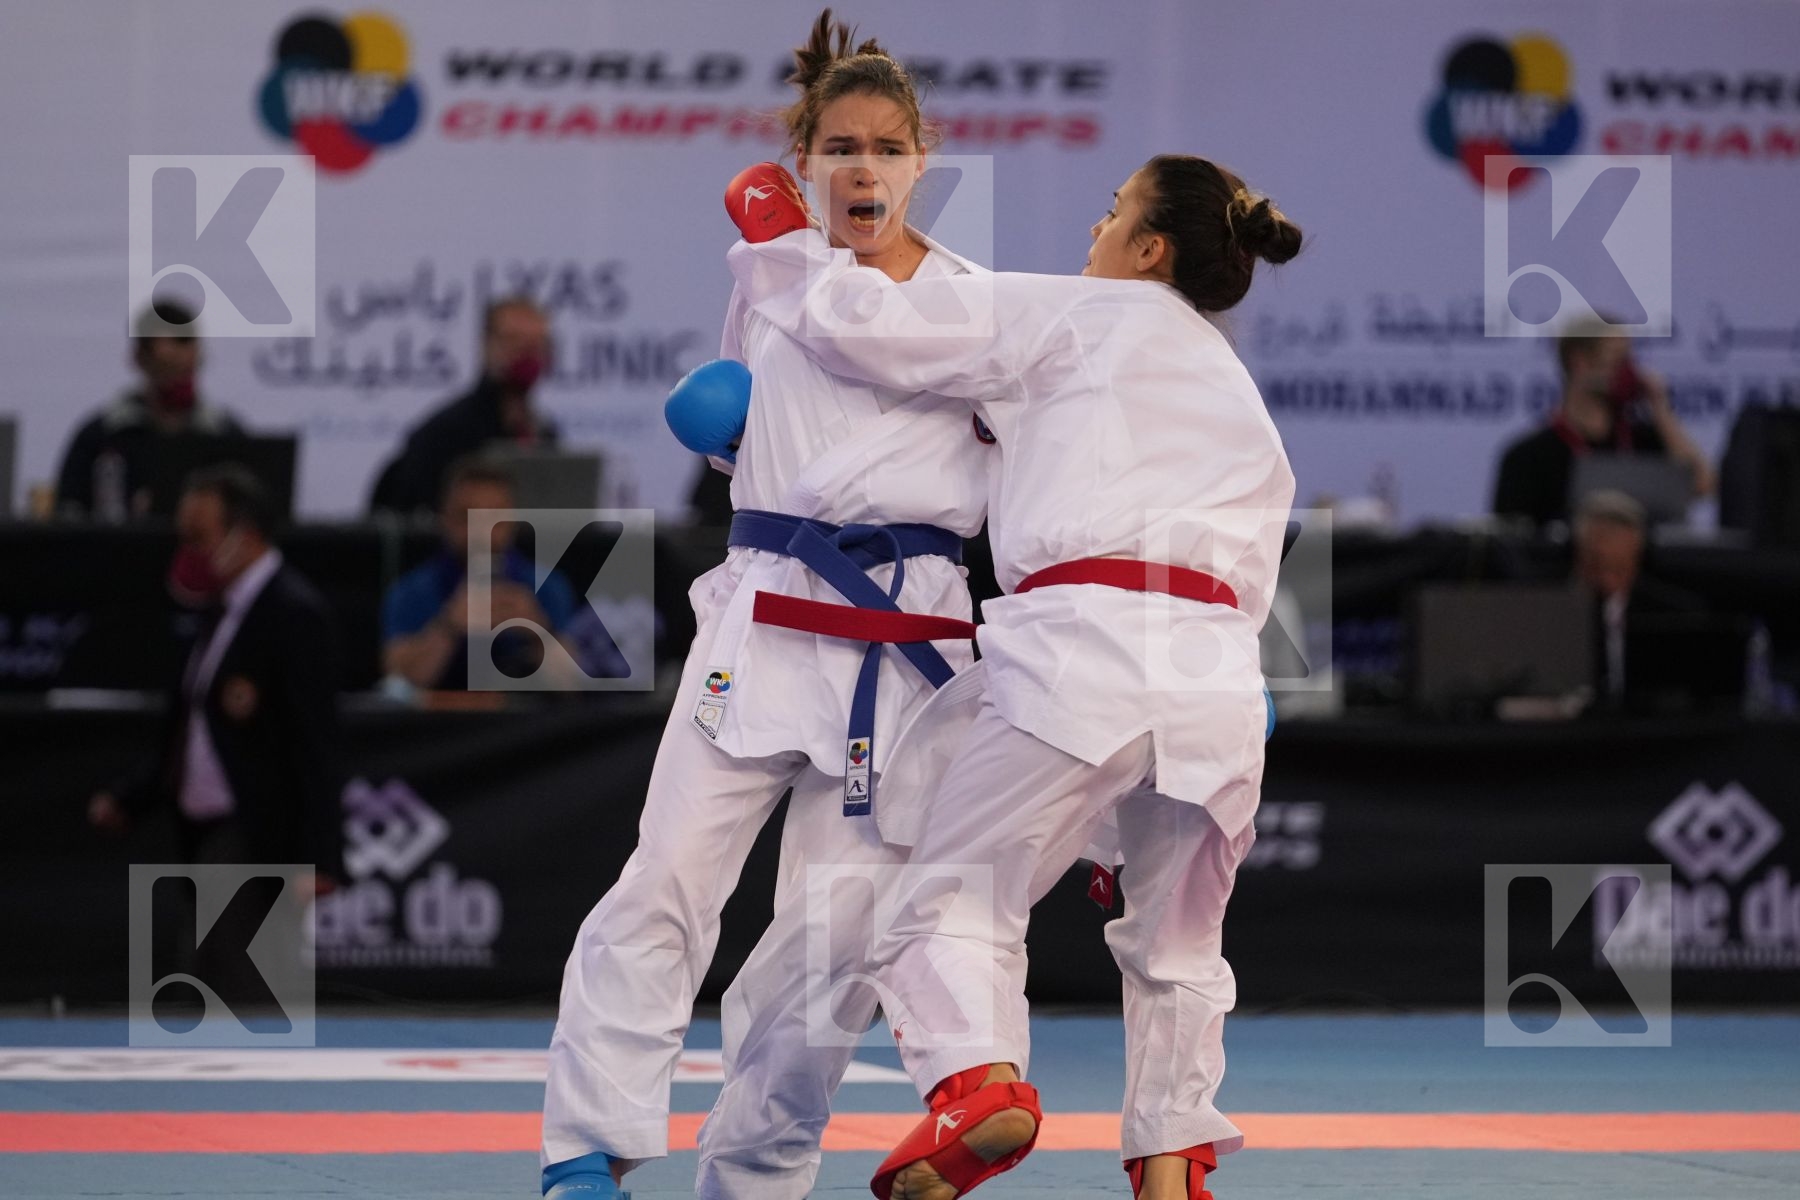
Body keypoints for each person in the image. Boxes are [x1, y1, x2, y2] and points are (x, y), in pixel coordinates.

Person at [711, 152, 1298, 1200]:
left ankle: (978, 1087)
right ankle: (1173, 1174)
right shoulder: (1240, 397)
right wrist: (1121, 821)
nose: (1093, 232)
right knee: (1177, 956)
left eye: (1112, 213)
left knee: (950, 897)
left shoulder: (1076, 314)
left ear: (1150, 249)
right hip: (1216, 690)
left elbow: (874, 329)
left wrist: (780, 237)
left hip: (1083, 651)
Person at [538, 13, 993, 1199]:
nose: (863, 167)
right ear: (805, 163)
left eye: (887, 148)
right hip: (771, 604)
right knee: (668, 876)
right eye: (839, 145)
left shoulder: (986, 309)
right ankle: (586, 1146)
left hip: (908, 640)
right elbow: (752, 457)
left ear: (923, 159)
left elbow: (1040, 478)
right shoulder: (773, 273)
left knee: (830, 942)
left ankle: (753, 1173)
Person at [88, 464, 343, 933]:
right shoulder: (219, 611)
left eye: (198, 537)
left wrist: (319, 859)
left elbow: (316, 745)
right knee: (210, 981)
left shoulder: (292, 614)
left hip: (256, 833)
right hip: (201, 832)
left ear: (243, 537)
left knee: (230, 985)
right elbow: (193, 729)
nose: (187, 553)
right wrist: (132, 798)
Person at [381, 457, 579, 691]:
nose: (481, 532)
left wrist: (538, 631)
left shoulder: (547, 587)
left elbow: (571, 685)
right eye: (467, 517)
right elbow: (398, 685)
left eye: (495, 517)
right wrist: (449, 626)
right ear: (444, 519)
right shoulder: (412, 591)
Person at [1493, 321, 1715, 528]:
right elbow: (1512, 541)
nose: (1629, 372)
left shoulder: (1644, 441)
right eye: (1618, 360)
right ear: (1579, 362)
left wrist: (1660, 408)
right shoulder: (1529, 456)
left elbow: (1702, 485)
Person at [55, 301, 245, 520]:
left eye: (184, 346)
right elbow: (68, 516)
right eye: (166, 366)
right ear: (139, 358)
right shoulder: (100, 437)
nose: (176, 380)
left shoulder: (225, 435)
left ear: (198, 356)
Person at [369, 297, 557, 515]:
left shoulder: (545, 433)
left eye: (536, 344)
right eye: (513, 341)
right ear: (486, 345)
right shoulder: (444, 433)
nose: (526, 354)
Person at [1572, 488, 1705, 704]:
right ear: (1578, 556)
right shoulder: (1543, 612)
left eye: (1618, 569)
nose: (1606, 581)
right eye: (1595, 566)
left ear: (1637, 562)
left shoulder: (1676, 617)